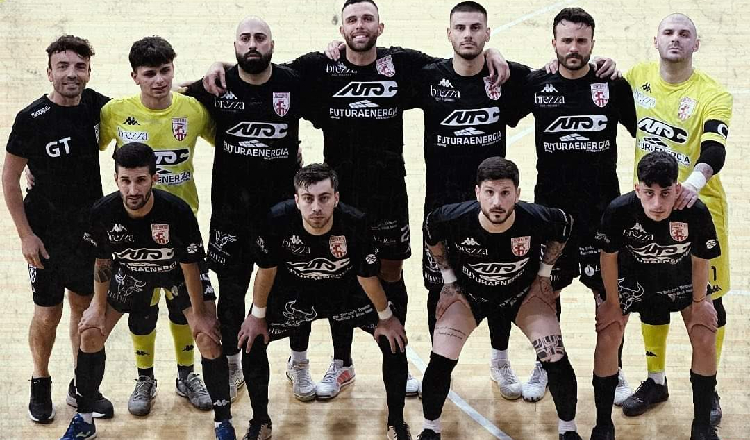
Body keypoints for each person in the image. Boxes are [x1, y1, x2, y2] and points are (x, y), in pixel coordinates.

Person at [60, 143, 236, 440]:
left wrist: (200, 315)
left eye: (141, 180)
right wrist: (98, 308)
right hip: (131, 275)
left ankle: (223, 422)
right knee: (90, 333)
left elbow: (191, 267)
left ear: (154, 178)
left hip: (179, 276)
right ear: (116, 179)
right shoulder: (103, 211)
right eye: (125, 181)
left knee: (207, 337)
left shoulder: (177, 211)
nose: (133, 189)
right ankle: (84, 419)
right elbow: (103, 262)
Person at [511, 7, 637, 405]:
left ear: (592, 43)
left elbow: (644, 130)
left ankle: (614, 368)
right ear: (553, 42)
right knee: (546, 291)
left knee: (609, 296)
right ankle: (545, 364)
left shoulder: (611, 86)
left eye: (581, 41)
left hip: (603, 213)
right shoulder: (538, 84)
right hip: (552, 215)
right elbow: (503, 103)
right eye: (566, 40)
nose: (573, 48)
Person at [406, 0, 530, 400]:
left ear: (488, 34)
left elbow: (556, 76)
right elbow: (378, 61)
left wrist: (498, 55)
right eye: (460, 28)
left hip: (493, 207)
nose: (468, 35)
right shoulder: (429, 77)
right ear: (449, 34)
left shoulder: (505, 78)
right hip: (441, 209)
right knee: (437, 288)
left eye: (476, 28)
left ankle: (500, 360)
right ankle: (438, 363)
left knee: (500, 283)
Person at [236, 163, 410, 440]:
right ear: (297, 200)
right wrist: (257, 316)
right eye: (308, 199)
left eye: (324, 198)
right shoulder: (277, 219)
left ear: (336, 198)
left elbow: (367, 277)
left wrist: (386, 318)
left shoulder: (355, 222)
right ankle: (260, 422)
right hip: (295, 295)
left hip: (345, 295)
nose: (316, 207)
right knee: (252, 341)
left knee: (394, 342)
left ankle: (396, 424)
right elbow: (266, 271)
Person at [183, 16, 306, 400]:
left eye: (260, 38)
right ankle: (232, 363)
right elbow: (165, 96)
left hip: (282, 213)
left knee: (293, 287)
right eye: (245, 38)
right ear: (235, 46)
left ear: (272, 44)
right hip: (231, 213)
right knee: (232, 293)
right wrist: (214, 66)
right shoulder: (217, 85)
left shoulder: (292, 82)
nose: (253, 44)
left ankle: (299, 363)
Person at [419, 156, 581, 440]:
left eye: (505, 193)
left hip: (521, 296)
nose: (497, 202)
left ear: (517, 193)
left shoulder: (537, 217)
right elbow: (430, 230)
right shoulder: (453, 217)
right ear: (477, 192)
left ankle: (568, 430)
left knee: (555, 358)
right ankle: (430, 429)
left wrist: (544, 275)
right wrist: (449, 280)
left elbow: (565, 226)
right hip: (470, 297)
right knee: (441, 358)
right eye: (489, 192)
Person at [621, 14, 732, 425]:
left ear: (695, 45)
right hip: (650, 209)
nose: (675, 39)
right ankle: (656, 381)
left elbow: (715, 148)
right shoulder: (636, 78)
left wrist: (694, 184)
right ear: (655, 41)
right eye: (668, 32)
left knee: (708, 302)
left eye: (685, 34)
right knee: (651, 297)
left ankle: (709, 386)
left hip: (700, 210)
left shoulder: (713, 94)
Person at [98, 36, 216, 415]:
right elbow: (85, 148)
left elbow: (229, 142)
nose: (159, 80)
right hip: (132, 230)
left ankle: (187, 375)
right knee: (142, 307)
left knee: (183, 306)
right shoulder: (115, 113)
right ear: (135, 76)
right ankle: (145, 378)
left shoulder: (193, 111)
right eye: (149, 74)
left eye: (165, 71)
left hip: (183, 229)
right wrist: (35, 167)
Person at [2, 35, 114, 424]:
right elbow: (9, 179)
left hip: (87, 231)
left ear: (89, 72)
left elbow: (145, 106)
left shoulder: (97, 107)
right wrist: (25, 235)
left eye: (79, 66)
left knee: (83, 308)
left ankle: (81, 386)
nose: (71, 74)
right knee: (47, 314)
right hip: (46, 234)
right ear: (49, 72)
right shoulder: (30, 119)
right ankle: (40, 380)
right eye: (62, 66)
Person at [591, 151, 721, 440]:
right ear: (638, 189)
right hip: (633, 280)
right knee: (608, 335)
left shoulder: (695, 211)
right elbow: (607, 257)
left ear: (678, 188)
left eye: (665, 193)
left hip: (680, 280)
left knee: (704, 335)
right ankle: (603, 426)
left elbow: (701, 260)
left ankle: (702, 427)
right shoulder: (619, 210)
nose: (657, 204)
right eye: (649, 193)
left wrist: (699, 302)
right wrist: (612, 303)